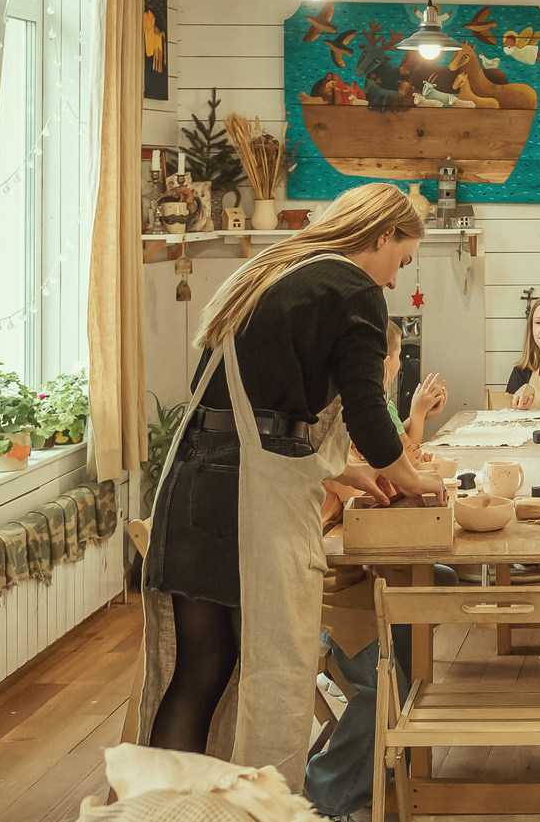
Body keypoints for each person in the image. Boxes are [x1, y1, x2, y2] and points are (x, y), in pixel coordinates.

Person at [138, 183, 443, 788]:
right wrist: (412, 478)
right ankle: (257, 820)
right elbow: (368, 415)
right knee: (271, 670)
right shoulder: (353, 290)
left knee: (202, 668)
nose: (393, 279)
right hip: (247, 499)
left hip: (197, 477)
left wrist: (344, 470)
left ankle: (162, 818)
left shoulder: (274, 269)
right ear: (382, 234)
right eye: (401, 260)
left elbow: (252, 402)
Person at [304, 320, 447, 822]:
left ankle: (391, 750)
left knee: (433, 585)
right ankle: (327, 799)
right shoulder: (323, 423)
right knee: (385, 682)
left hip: (353, 575)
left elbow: (373, 472)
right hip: (323, 589)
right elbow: (342, 505)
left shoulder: (345, 415)